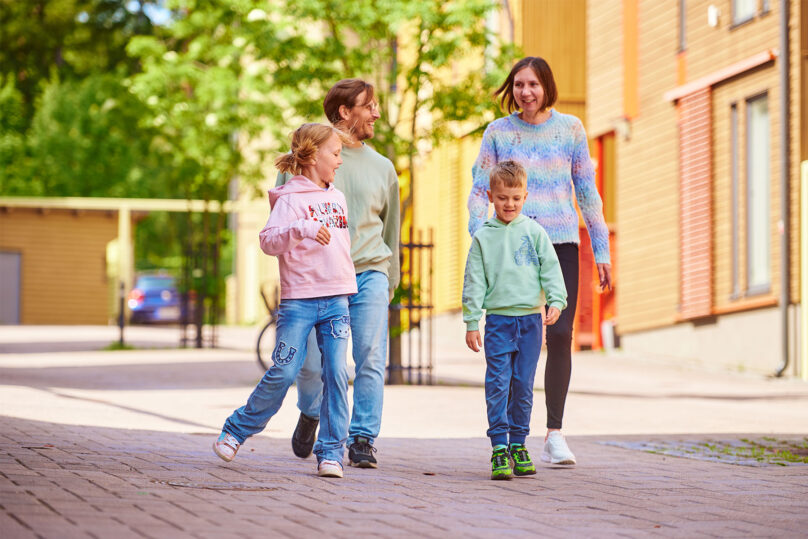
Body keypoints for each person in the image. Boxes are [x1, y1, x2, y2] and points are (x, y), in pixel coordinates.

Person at [468, 57, 613, 466]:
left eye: (533, 84)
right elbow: (479, 190)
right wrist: (480, 233)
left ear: (546, 86)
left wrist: (601, 248)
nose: (525, 92)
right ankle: (511, 436)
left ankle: (554, 433)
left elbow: (587, 191)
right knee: (516, 337)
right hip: (512, 245)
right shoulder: (498, 132)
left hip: (561, 243)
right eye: (518, 84)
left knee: (561, 333)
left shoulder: (571, 129)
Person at [213, 123, 356, 478]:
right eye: (335, 154)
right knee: (285, 370)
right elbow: (267, 241)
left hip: (336, 300)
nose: (340, 161)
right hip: (299, 302)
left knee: (336, 373)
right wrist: (302, 228)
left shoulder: (337, 197)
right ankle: (235, 430)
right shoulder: (290, 199)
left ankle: (331, 453)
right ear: (313, 156)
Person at [277, 79, 400, 469]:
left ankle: (362, 437)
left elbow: (391, 231)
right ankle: (311, 410)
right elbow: (282, 223)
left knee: (370, 355)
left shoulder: (383, 168)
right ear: (345, 111)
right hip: (319, 280)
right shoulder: (306, 158)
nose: (377, 113)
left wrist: (390, 279)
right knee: (312, 365)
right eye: (369, 105)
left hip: (368, 273)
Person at [463, 160, 567, 480]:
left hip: (531, 323)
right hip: (498, 322)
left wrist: (556, 300)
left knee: (522, 384)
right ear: (490, 197)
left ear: (525, 197)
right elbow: (474, 280)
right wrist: (471, 321)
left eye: (516, 198)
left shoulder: (534, 232)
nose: (509, 204)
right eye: (502, 198)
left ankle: (519, 444)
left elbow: (550, 269)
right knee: (498, 383)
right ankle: (499, 447)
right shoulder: (483, 237)